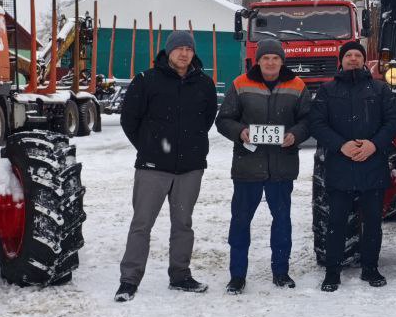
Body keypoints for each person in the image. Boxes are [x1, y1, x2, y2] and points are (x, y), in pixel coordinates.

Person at [115, 29, 219, 301]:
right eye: (179, 48)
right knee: (142, 224)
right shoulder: (146, 81)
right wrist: (149, 147)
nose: (184, 53)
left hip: (190, 168)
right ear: (168, 51)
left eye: (189, 49)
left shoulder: (204, 84)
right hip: (153, 167)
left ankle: (180, 275)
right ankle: (129, 280)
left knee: (183, 223)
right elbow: (130, 120)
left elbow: (206, 120)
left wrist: (190, 147)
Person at [215, 38, 311, 294]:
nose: (270, 62)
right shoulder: (240, 84)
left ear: (282, 61)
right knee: (240, 222)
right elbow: (223, 120)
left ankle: (281, 272)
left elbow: (308, 120)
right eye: (266, 58)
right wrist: (241, 132)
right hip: (248, 167)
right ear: (258, 61)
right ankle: (237, 276)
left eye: (275, 58)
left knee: (282, 222)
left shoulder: (297, 85)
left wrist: (296, 135)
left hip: (282, 168)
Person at [308, 39, 396, 291]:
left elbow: (392, 122)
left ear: (363, 61)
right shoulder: (327, 90)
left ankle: (371, 268)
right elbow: (316, 124)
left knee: (372, 222)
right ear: (341, 60)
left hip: (373, 165)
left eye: (357, 56)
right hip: (340, 165)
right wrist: (341, 145)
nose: (353, 59)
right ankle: (332, 271)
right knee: (336, 221)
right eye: (348, 55)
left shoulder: (380, 90)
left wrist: (374, 145)